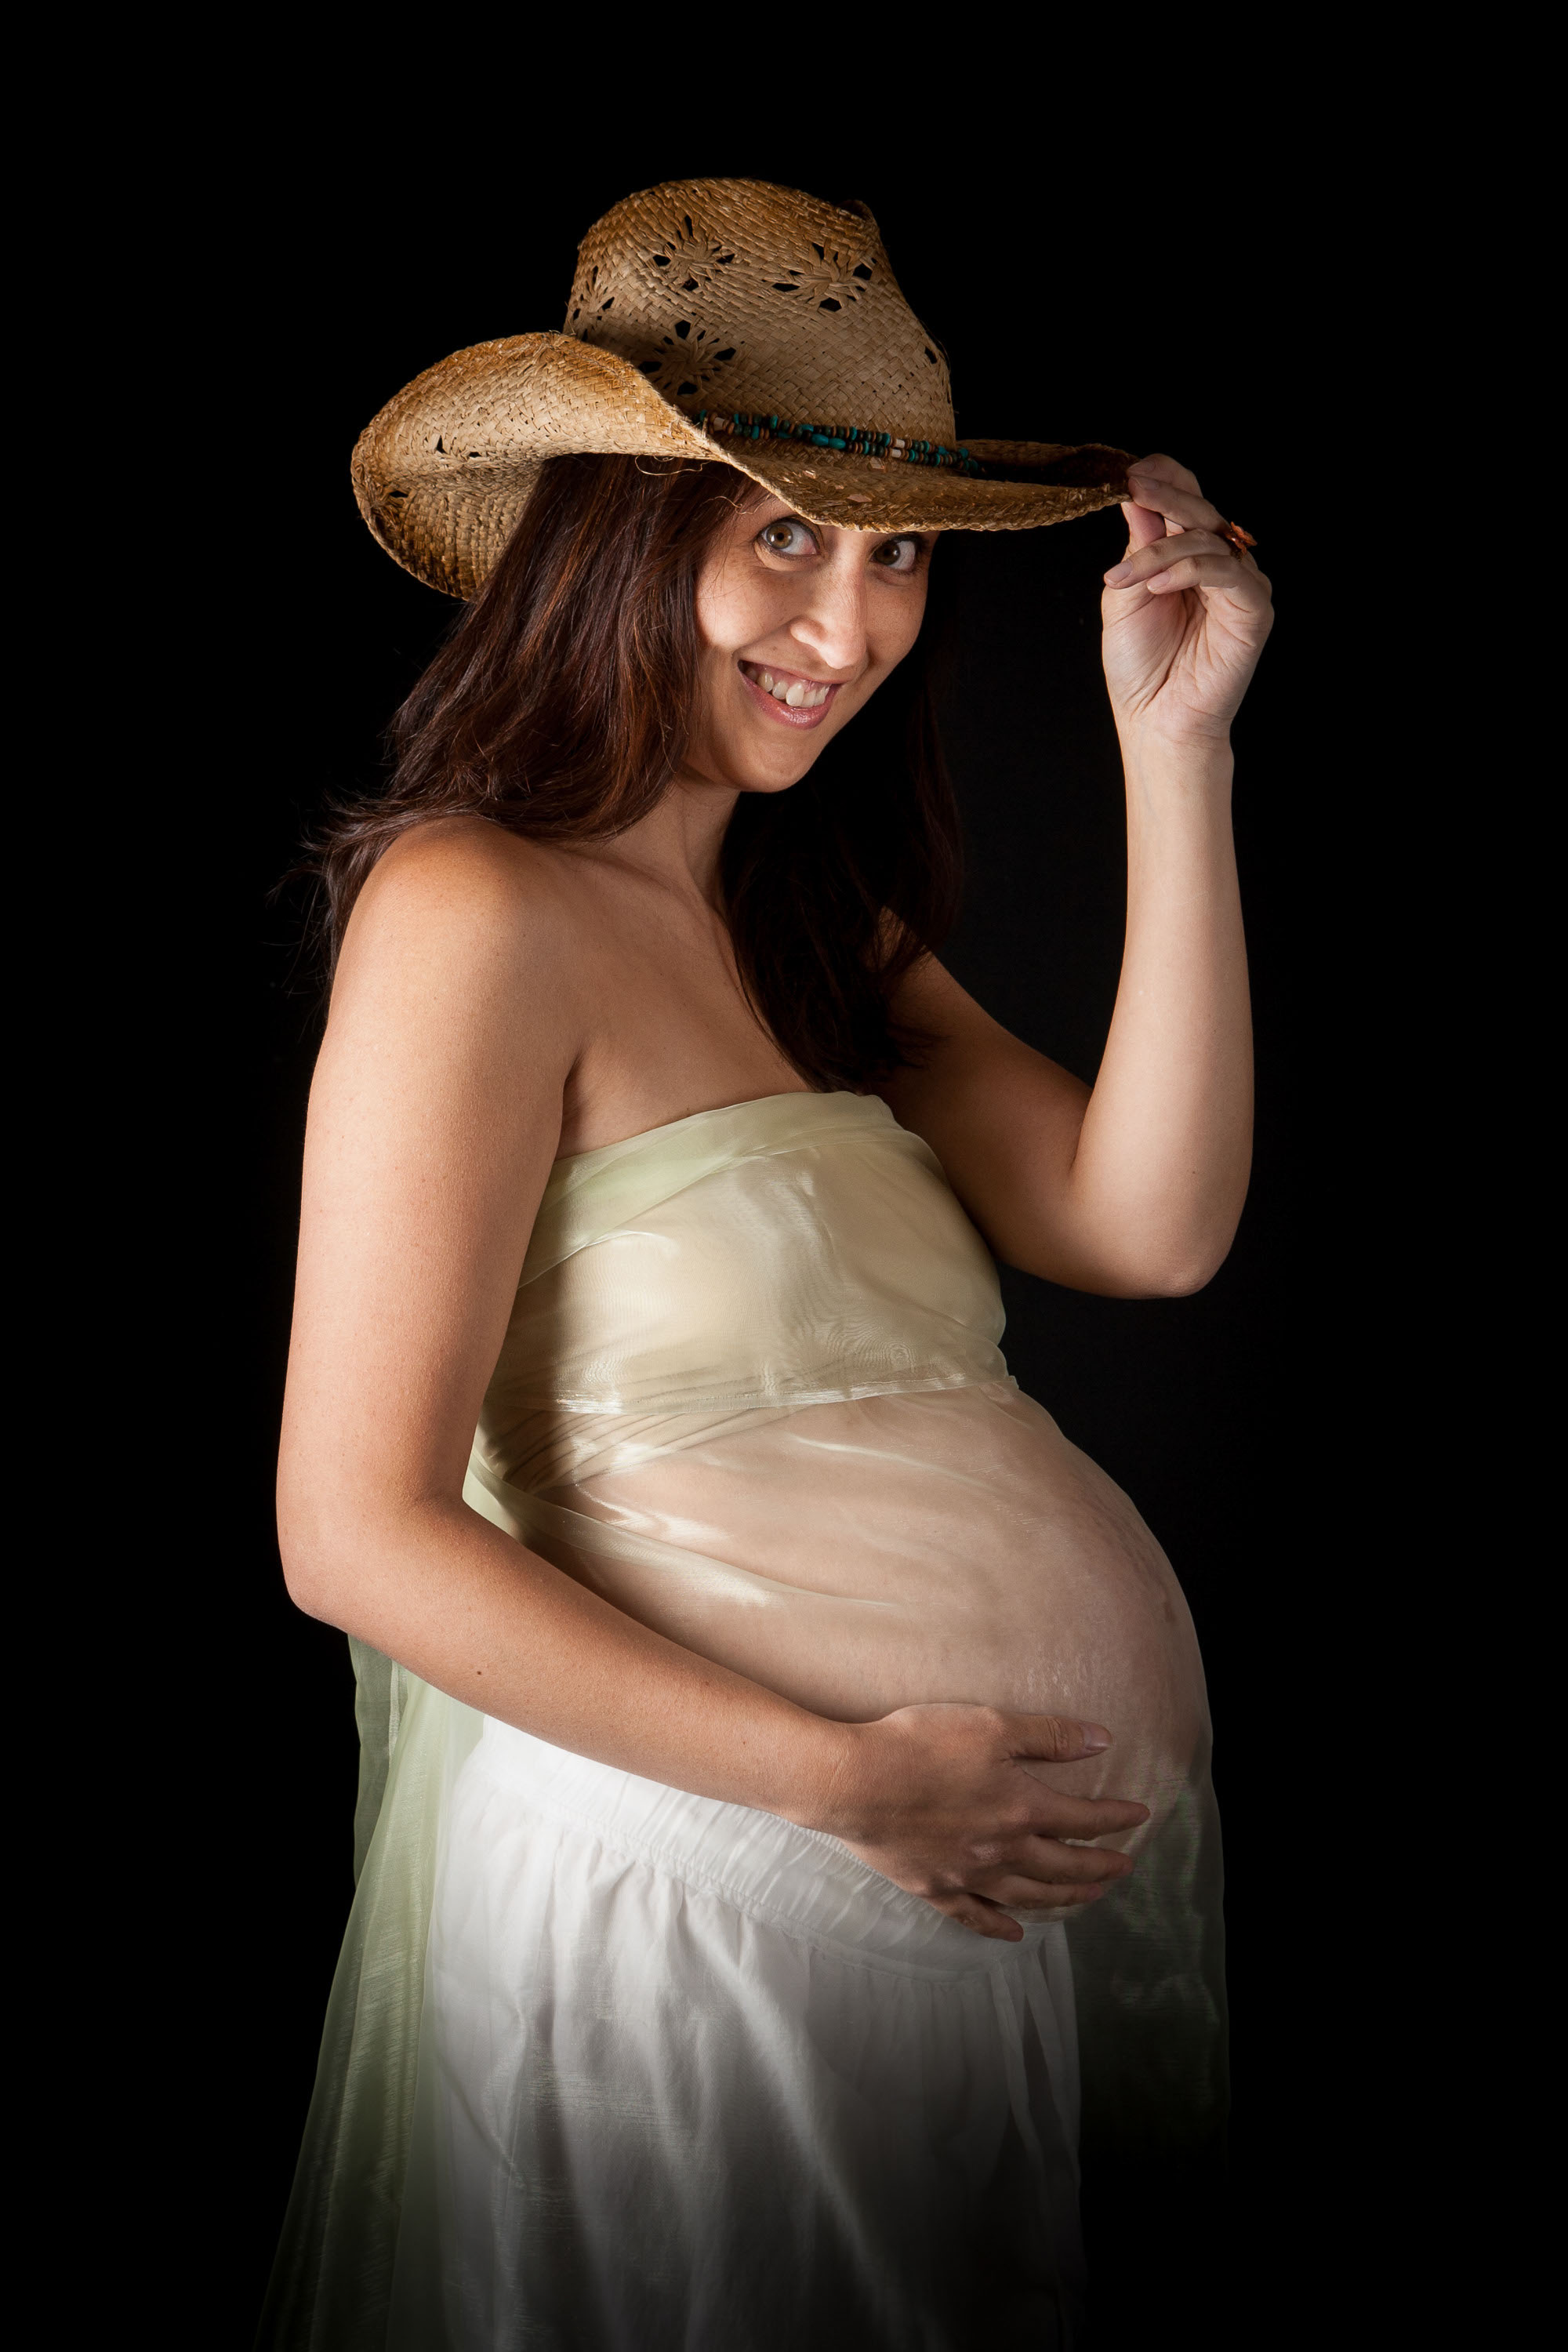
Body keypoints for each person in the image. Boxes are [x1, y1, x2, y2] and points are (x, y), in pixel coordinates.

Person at [260, 177, 1273, 2350]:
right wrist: (835, 1781)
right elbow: (346, 1529)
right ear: (615, 534)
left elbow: (1149, 1223)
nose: (852, 618)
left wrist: (1171, 752)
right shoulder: (476, 910)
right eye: (784, 533)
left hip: (921, 1917)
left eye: (895, 549)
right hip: (706, 1891)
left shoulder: (817, 935)